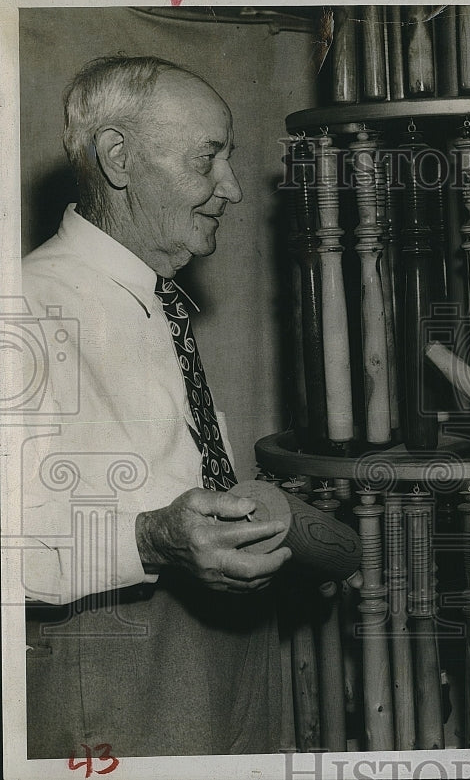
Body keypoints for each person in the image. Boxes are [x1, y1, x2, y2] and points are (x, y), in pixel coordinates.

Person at [20, 56, 359, 757]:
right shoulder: (24, 304)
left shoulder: (155, 294)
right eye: (208, 160)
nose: (231, 188)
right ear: (118, 157)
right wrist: (150, 538)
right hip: (117, 686)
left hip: (226, 670)